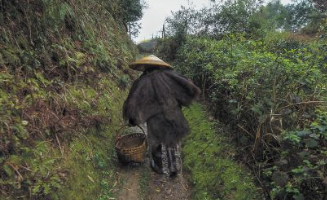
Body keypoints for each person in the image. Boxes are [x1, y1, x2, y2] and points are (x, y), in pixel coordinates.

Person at [123, 55, 200, 177]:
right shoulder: (171, 76)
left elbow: (134, 102)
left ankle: (158, 167)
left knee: (155, 142)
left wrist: (133, 119)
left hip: (154, 119)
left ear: (145, 67)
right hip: (173, 114)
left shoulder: (141, 82)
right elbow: (187, 90)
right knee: (171, 141)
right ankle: (173, 167)